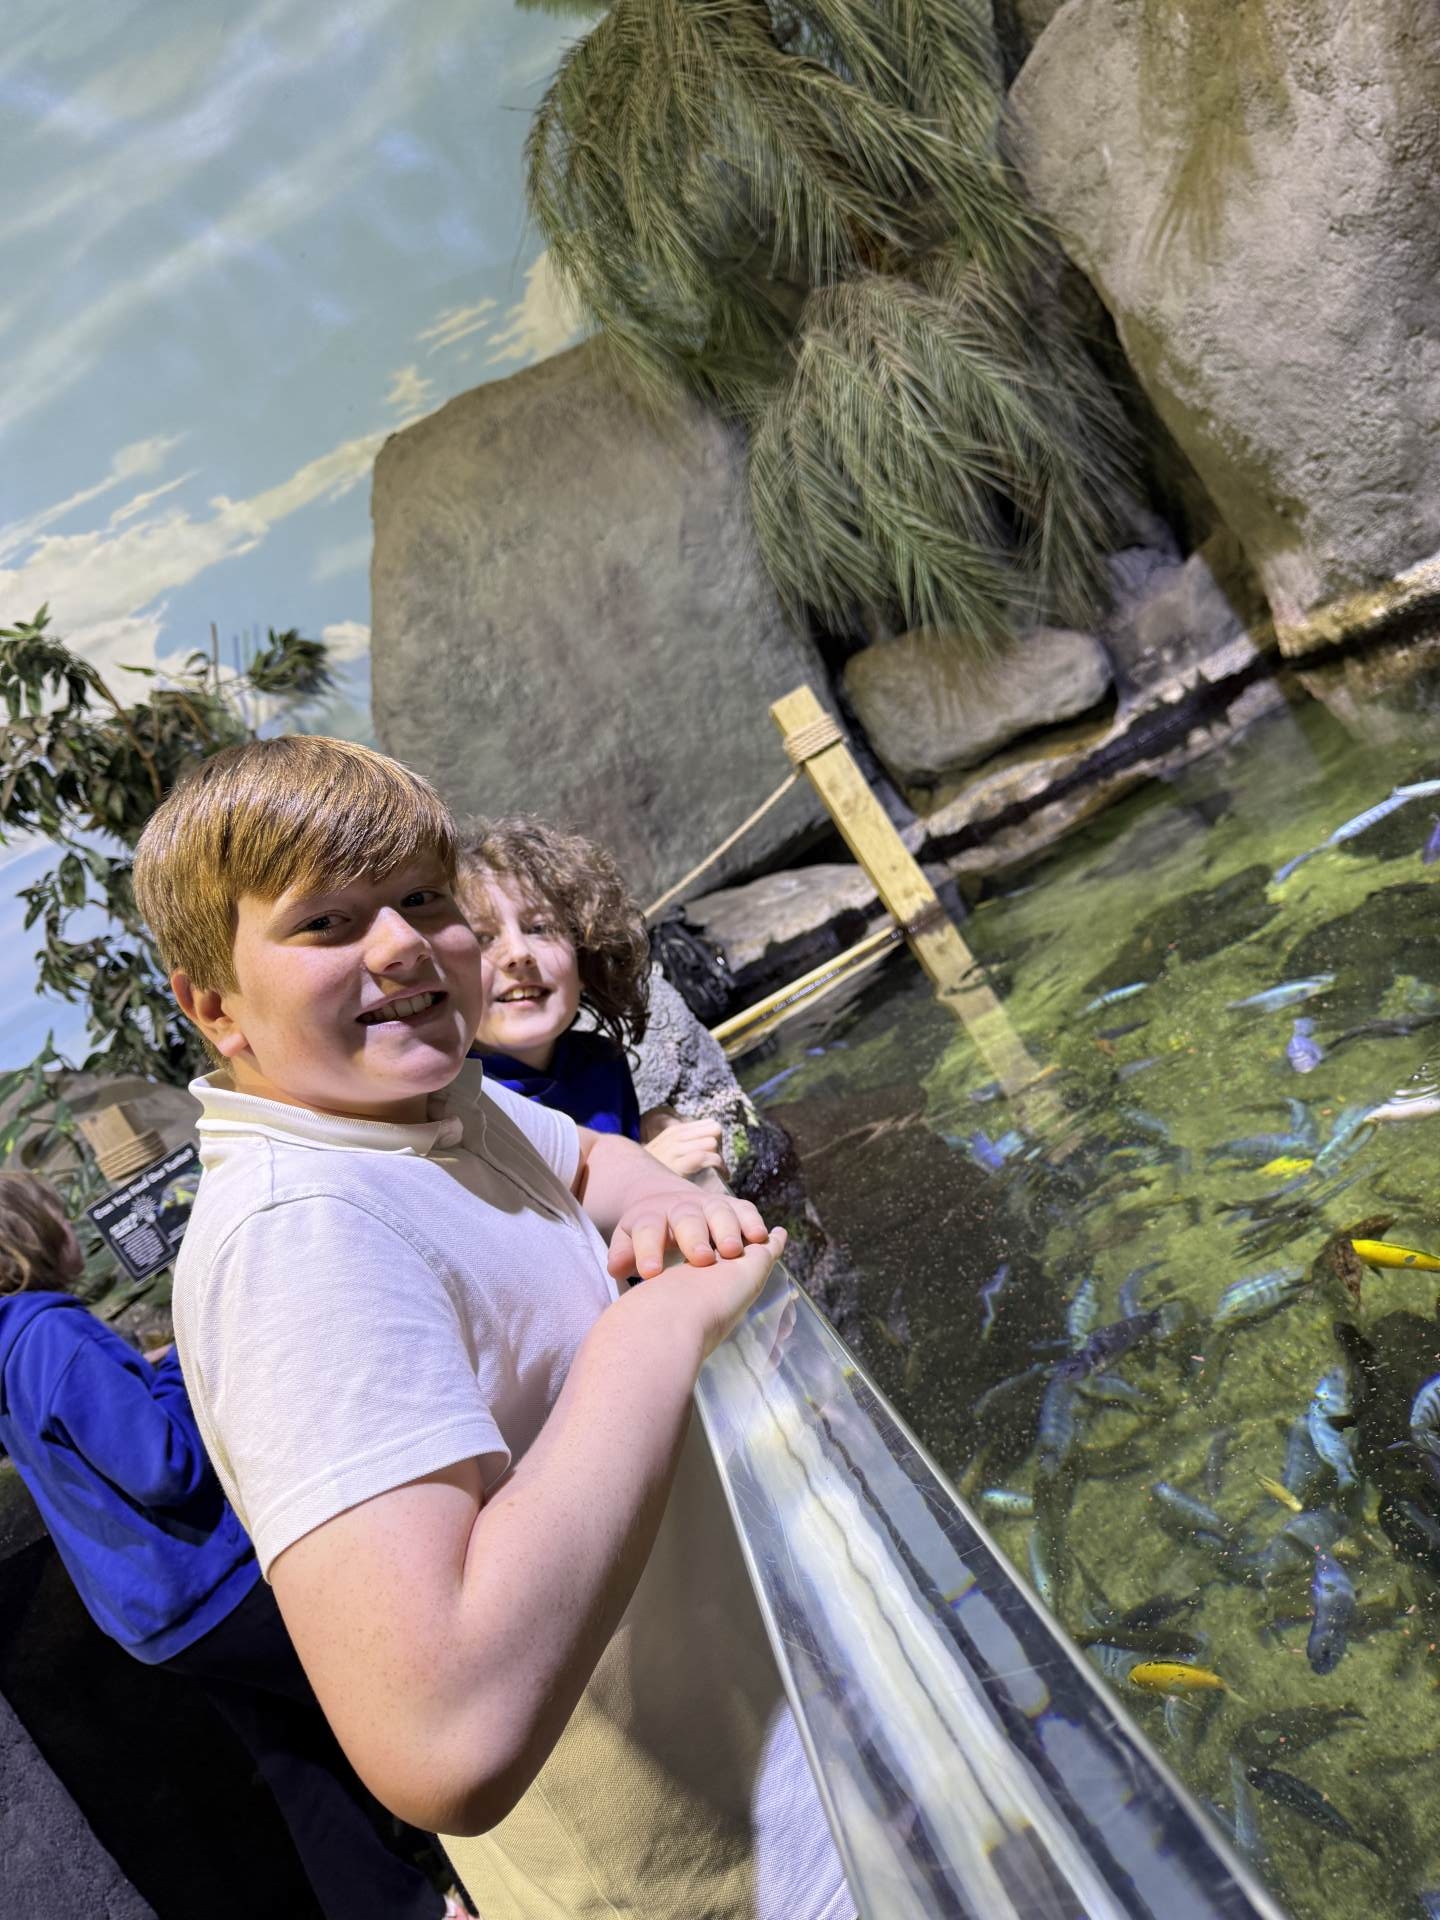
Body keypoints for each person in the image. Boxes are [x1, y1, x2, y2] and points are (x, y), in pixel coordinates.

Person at [130, 735, 851, 1920]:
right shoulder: (299, 1239)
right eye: (326, 922)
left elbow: (596, 1161)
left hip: (785, 1758)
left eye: (423, 898)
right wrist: (652, 1332)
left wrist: (660, 1204)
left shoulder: (442, 1105)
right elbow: (442, 1738)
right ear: (214, 1006)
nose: (402, 943)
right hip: (717, 1881)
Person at [0, 1168, 463, 1920]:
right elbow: (162, 1464)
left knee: (296, 1763)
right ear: (30, 1237)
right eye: (57, 1214)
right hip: (215, 1586)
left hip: (163, 1618)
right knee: (403, 1700)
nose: (71, 1225)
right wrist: (187, 1358)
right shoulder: (50, 1334)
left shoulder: (12, 1346)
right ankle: (500, 1857)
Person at [455, 814, 725, 1175]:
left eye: (539, 928)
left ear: (584, 955)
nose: (518, 953)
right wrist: (651, 1170)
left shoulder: (602, 1063)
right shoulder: (457, 1111)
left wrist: (652, 1133)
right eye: (481, 938)